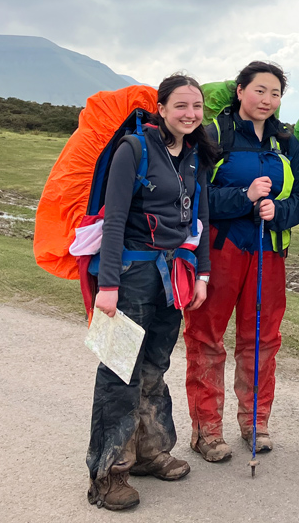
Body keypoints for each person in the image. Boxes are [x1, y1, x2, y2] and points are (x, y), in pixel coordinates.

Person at [86, 74, 216, 510]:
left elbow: (200, 221)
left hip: (173, 277)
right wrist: (107, 286)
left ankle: (150, 452)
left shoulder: (195, 156)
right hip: (129, 275)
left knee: (155, 367)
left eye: (197, 106)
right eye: (181, 105)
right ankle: (108, 475)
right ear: (160, 109)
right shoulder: (134, 149)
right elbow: (114, 221)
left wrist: (202, 276)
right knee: (118, 371)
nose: (190, 114)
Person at [183, 61, 299, 462]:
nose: (267, 100)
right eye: (259, 90)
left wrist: (279, 211)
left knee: (263, 340)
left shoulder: (287, 143)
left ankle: (256, 423)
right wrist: (245, 197)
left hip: (269, 251)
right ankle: (206, 431)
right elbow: (194, 196)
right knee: (207, 338)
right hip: (220, 250)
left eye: (275, 93)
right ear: (240, 91)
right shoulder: (213, 135)